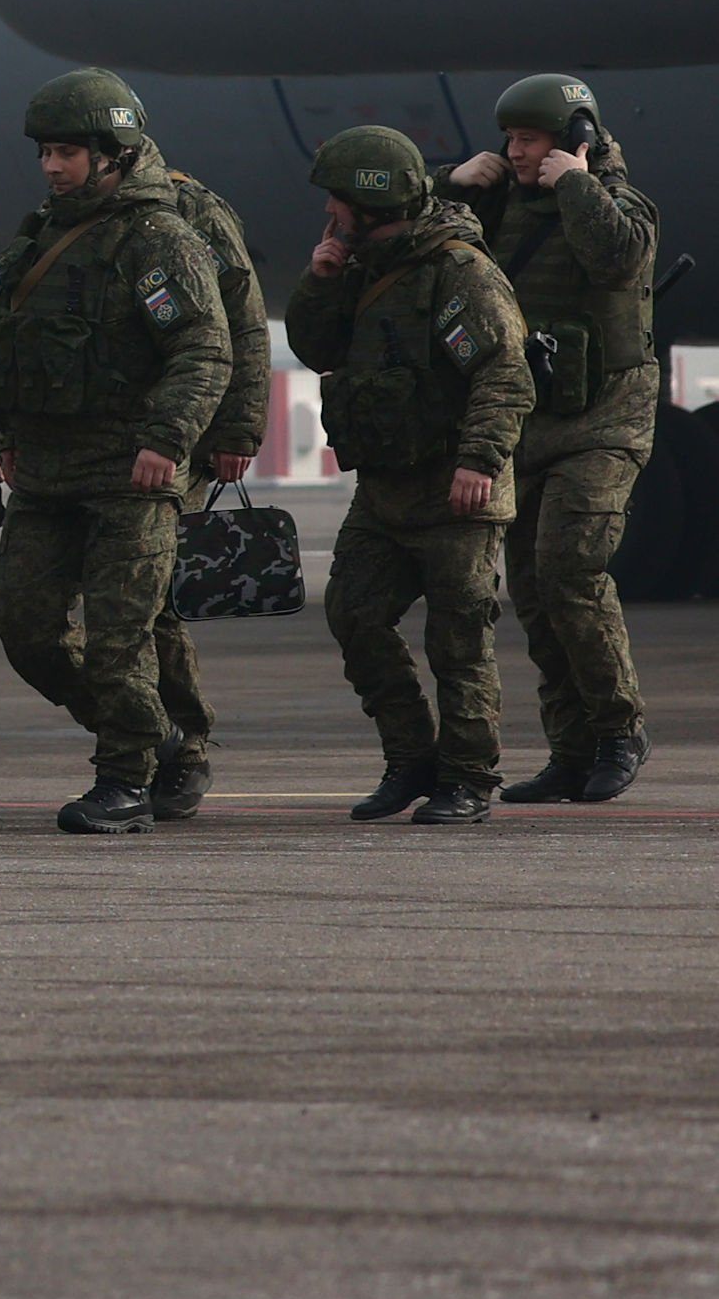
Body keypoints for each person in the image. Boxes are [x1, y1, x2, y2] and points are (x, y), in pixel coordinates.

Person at [0, 70, 233, 837]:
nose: (51, 167)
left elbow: (203, 350)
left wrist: (166, 442)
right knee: (27, 627)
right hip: (45, 472)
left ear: (113, 152)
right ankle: (158, 740)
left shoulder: (157, 238)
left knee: (120, 635)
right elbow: (1, 348)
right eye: (45, 152)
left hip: (129, 475)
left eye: (67, 152)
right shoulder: (39, 234)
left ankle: (126, 780)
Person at [285, 125, 532, 824]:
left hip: (456, 489)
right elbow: (316, 346)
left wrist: (479, 461)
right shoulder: (359, 267)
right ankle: (410, 759)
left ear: (371, 203)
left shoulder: (459, 271)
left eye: (339, 203)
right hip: (386, 489)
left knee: (459, 643)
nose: (330, 215)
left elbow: (503, 373)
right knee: (355, 614)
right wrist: (321, 281)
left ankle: (467, 778)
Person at [455, 76, 662, 804]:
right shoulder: (501, 203)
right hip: (527, 422)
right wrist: (450, 186)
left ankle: (618, 731)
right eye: (510, 139)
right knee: (535, 592)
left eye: (531, 141)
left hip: (605, 420)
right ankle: (570, 751)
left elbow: (619, 258)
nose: (515, 153)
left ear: (575, 137)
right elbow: (431, 256)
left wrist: (578, 181)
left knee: (571, 571)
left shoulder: (619, 203)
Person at [143, 151, 272, 818]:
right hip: (95, 443)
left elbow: (242, 324)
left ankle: (181, 747)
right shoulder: (65, 217)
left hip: (175, 439)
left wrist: (238, 431)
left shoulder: (193, 211)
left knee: (150, 597)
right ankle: (145, 736)